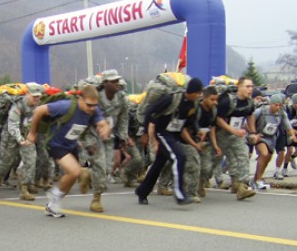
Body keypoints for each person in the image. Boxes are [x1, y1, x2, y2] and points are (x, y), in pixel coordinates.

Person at [27, 84, 110, 218]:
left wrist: (104, 127)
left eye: (95, 105)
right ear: (80, 99)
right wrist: (32, 133)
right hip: (55, 143)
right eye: (89, 105)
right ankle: (54, 195)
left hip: (71, 144)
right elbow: (39, 110)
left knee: (73, 176)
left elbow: (101, 122)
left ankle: (53, 204)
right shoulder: (65, 106)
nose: (92, 109)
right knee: (74, 171)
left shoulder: (93, 109)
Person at [135, 77, 204, 206]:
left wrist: (197, 131)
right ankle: (179, 194)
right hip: (162, 133)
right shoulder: (173, 99)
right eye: (198, 92)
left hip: (174, 135)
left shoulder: (193, 104)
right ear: (193, 91)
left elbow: (190, 121)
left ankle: (142, 192)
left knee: (159, 165)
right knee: (179, 157)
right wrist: (146, 133)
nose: (200, 96)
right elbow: (151, 112)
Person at [79, 69, 130, 212]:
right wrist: (85, 139)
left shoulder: (121, 98)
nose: (116, 84)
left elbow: (123, 117)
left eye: (117, 81)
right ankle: (96, 199)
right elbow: (85, 114)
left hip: (109, 134)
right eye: (113, 81)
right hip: (93, 133)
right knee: (100, 166)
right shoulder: (96, 96)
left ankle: (87, 173)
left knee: (108, 168)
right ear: (105, 83)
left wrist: (123, 136)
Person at [0, 82, 44, 200]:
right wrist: (19, 139)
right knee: (6, 162)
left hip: (26, 135)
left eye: (38, 96)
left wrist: (31, 135)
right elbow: (12, 125)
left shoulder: (37, 106)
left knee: (30, 160)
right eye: (34, 96)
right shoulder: (18, 106)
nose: (37, 98)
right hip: (10, 136)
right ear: (27, 94)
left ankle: (24, 189)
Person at [215, 77, 257, 200]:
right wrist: (232, 130)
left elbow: (250, 115)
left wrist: (253, 132)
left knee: (243, 155)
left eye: (251, 87)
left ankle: (242, 187)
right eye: (247, 86)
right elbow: (217, 118)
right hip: (221, 134)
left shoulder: (250, 102)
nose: (250, 90)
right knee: (213, 161)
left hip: (237, 134)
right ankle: (200, 182)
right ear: (239, 86)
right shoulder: (227, 101)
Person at [250, 94, 295, 190]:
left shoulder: (282, 114)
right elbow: (249, 122)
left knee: (267, 159)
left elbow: (287, 126)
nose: (278, 107)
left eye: (280, 105)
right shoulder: (261, 111)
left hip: (271, 138)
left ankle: (256, 179)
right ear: (271, 104)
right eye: (276, 105)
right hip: (260, 137)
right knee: (264, 154)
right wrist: (253, 133)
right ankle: (257, 180)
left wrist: (292, 135)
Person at [280, 93, 297, 177]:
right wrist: (291, 131)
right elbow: (285, 122)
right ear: (293, 103)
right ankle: (285, 168)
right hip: (289, 131)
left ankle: (292, 158)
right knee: (290, 150)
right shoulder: (288, 109)